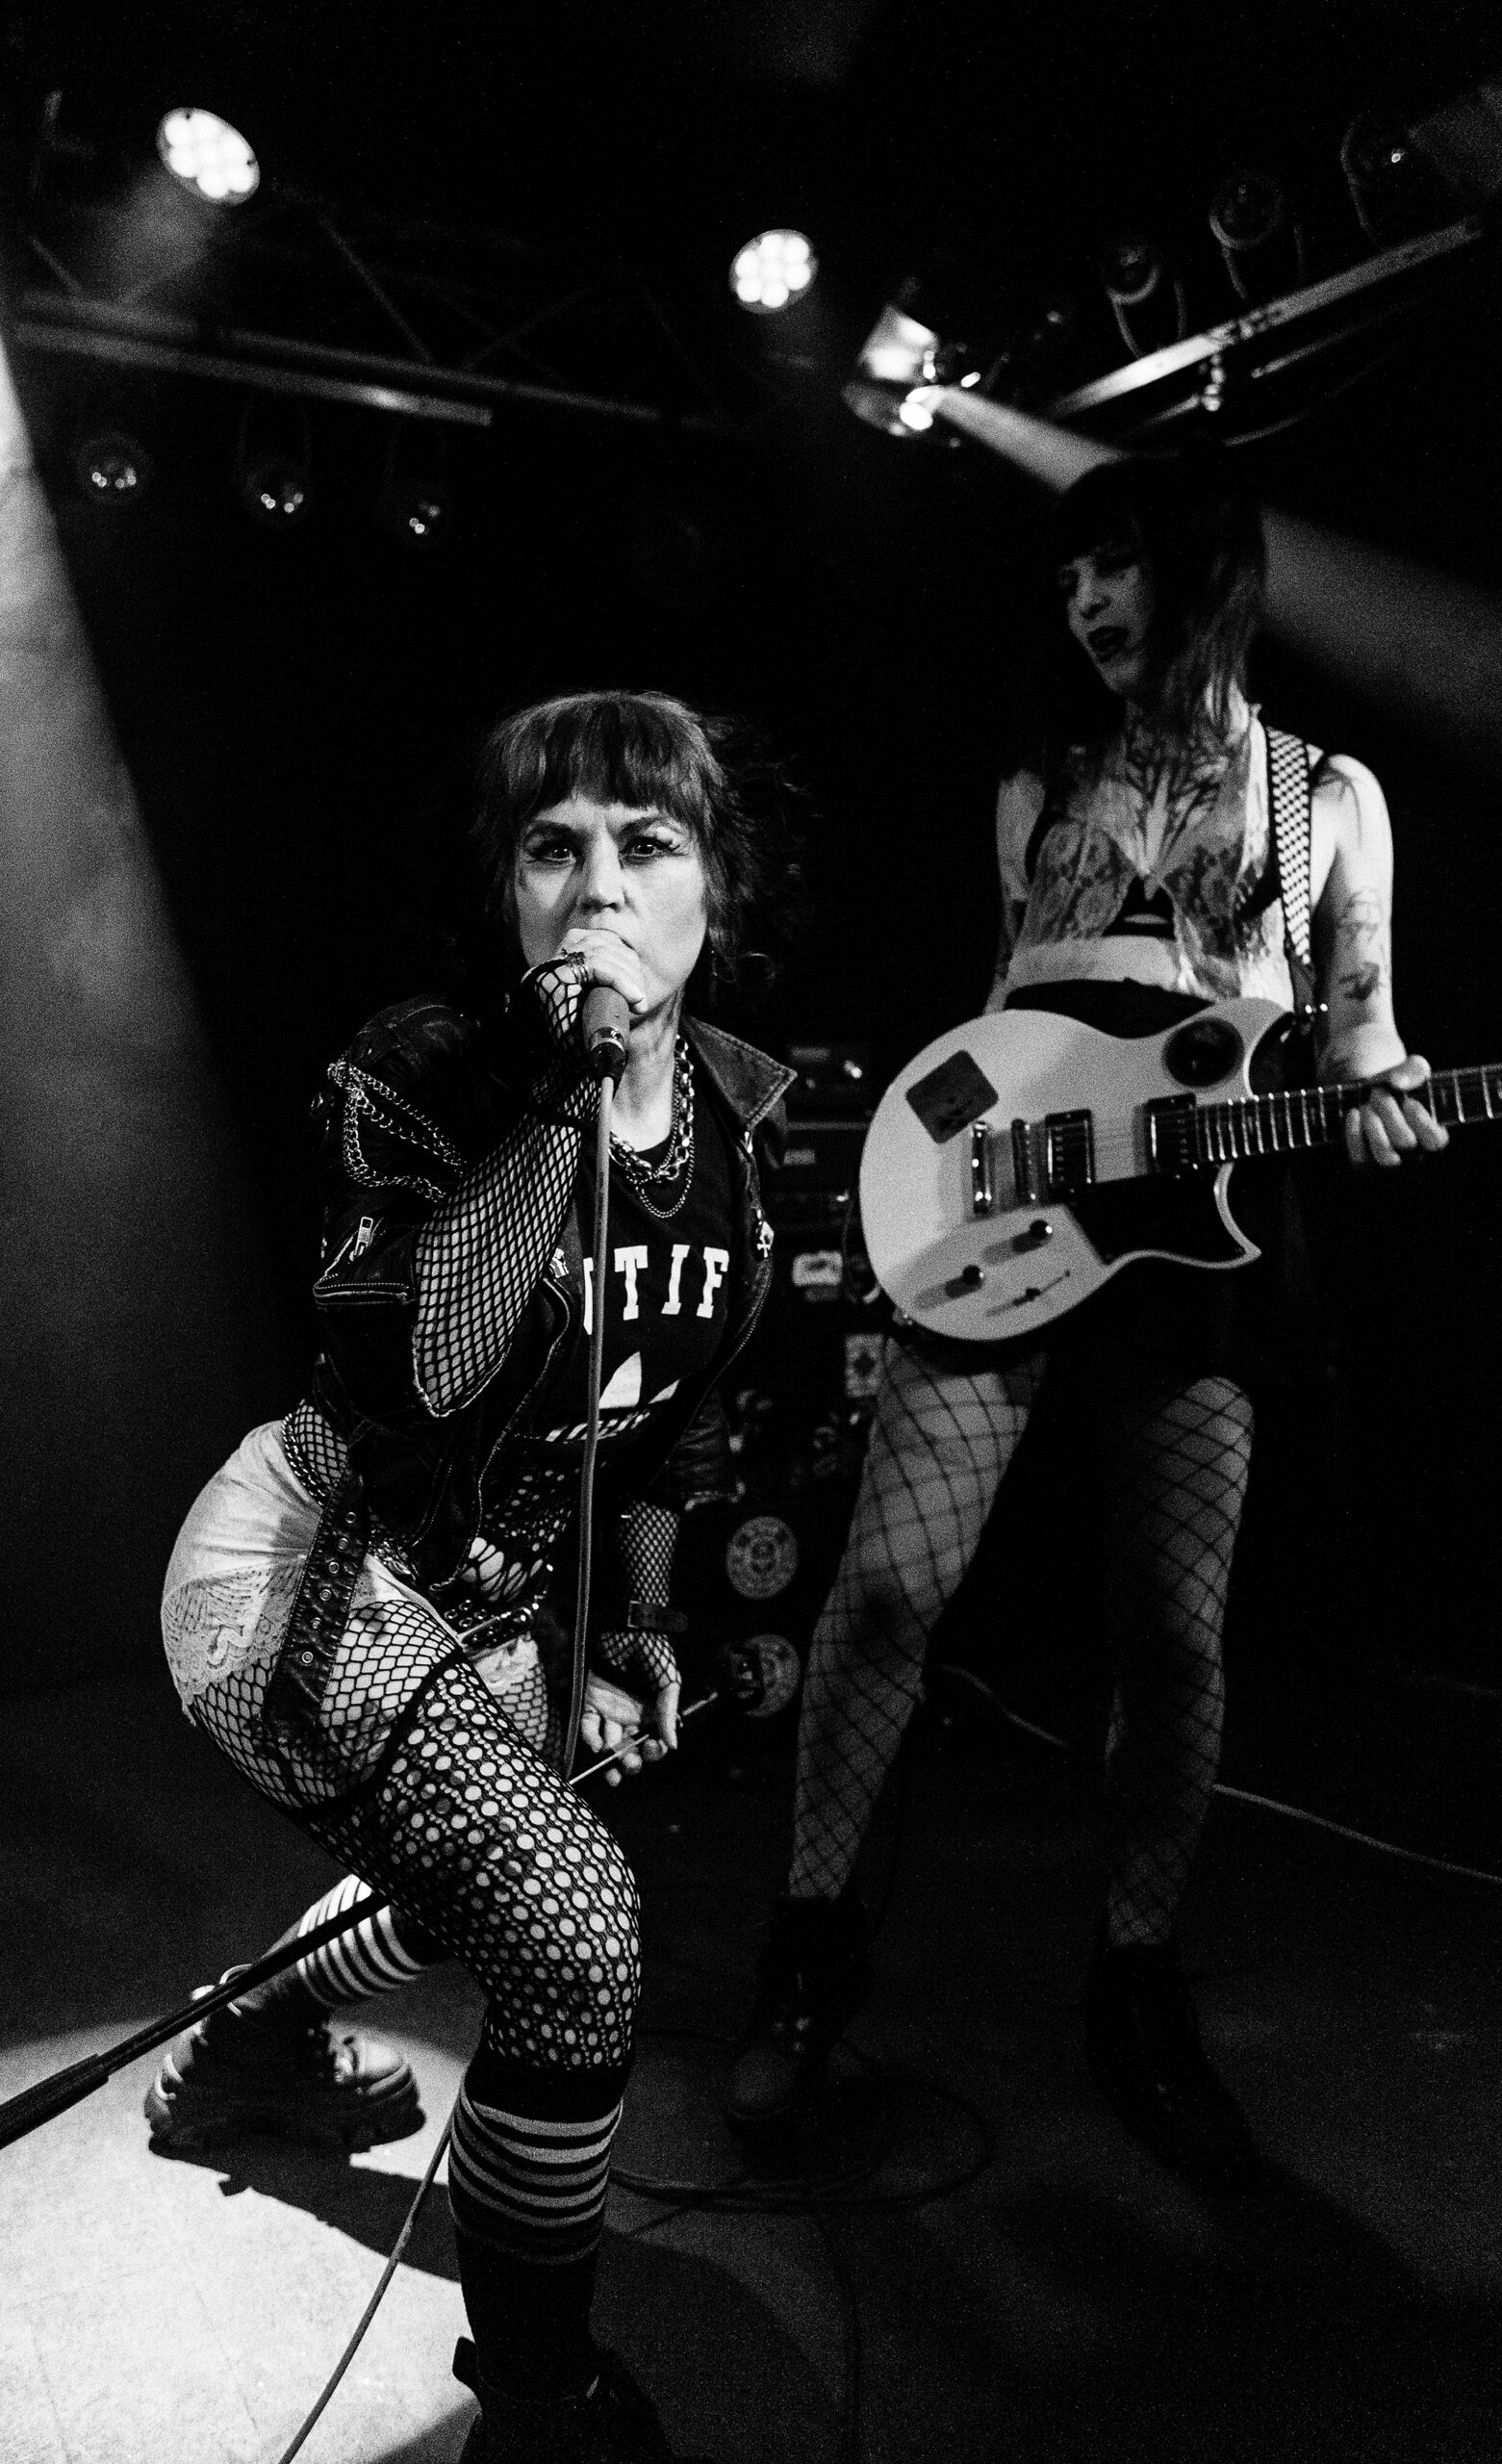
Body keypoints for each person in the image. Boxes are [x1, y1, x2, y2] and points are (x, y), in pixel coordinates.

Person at [726, 453, 1446, 2189]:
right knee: (885, 1592)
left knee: (1174, 1639)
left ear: (1204, 570)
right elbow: (1004, 1017)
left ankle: (1137, 1977)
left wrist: (1382, 1090)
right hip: (1015, 1209)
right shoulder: (1037, 781)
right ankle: (807, 1958)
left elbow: (1358, 1026)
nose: (1087, 603)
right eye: (1068, 579)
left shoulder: (1324, 797)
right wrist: (933, 1182)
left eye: (1114, 566)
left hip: (1204, 1236)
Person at [150, 690, 794, 2463]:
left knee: (473, 1888)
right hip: (301, 1570)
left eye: (646, 845)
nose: (598, 887)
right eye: (551, 849)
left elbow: (664, 1432)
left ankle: (244, 2054)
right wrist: (560, 1078)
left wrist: (636, 1624)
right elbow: (433, 1375)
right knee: (573, 1928)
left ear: (714, 891)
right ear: (511, 894)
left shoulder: (738, 1136)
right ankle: (534, 2396)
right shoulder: (428, 1072)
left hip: (490, 1610)